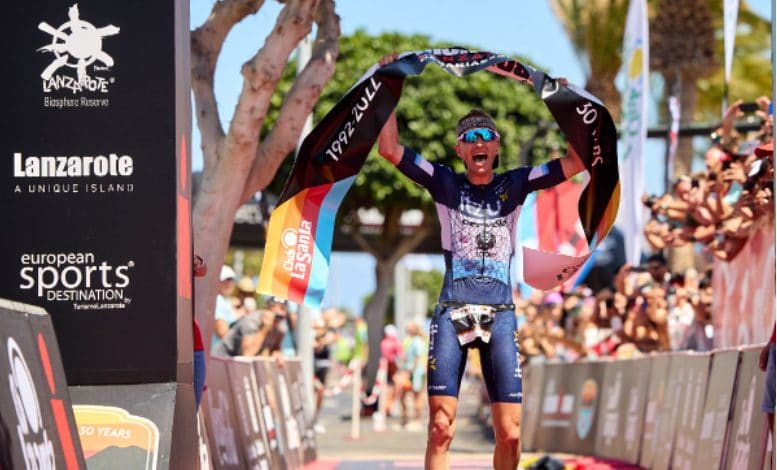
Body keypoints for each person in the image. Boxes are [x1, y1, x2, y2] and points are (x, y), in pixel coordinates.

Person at [376, 53, 586, 470]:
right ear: (459, 149)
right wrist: (387, 85)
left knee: (510, 433)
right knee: (441, 426)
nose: (478, 143)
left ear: (496, 147)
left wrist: (566, 105)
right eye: (470, 138)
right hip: (452, 309)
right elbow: (389, 149)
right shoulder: (443, 181)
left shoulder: (517, 182)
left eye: (486, 136)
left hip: (502, 311)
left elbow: (576, 163)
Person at [212, 297, 290, 358]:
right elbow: (248, 353)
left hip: (238, 365)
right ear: (266, 310)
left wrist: (277, 353)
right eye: (277, 317)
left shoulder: (280, 328)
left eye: (281, 317)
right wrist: (265, 328)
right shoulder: (251, 321)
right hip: (223, 358)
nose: (277, 322)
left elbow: (274, 348)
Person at [212, 265, 238, 349]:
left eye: (231, 280)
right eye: (225, 280)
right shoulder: (217, 300)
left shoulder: (225, 301)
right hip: (216, 355)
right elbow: (222, 332)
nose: (229, 284)